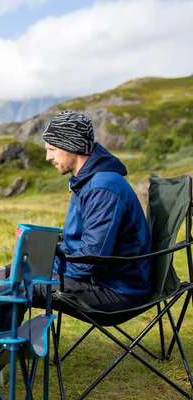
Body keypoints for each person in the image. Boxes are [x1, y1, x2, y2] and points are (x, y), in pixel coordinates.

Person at [34, 110, 152, 310]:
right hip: (103, 279)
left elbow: (91, 261)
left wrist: (45, 266)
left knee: (25, 283)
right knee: (16, 270)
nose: (48, 157)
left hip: (118, 289)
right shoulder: (88, 180)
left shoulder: (101, 188)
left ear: (73, 146)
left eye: (52, 149)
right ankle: (0, 339)